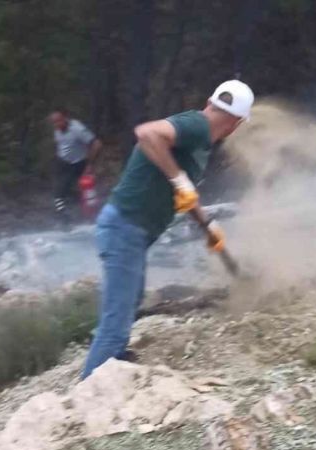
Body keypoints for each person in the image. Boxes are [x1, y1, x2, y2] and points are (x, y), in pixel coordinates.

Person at [81, 80, 254, 378]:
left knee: (129, 301)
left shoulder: (200, 139)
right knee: (116, 323)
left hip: (133, 231)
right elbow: (146, 134)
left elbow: (185, 196)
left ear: (211, 101)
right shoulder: (197, 126)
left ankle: (116, 364)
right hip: (124, 228)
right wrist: (180, 180)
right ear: (236, 123)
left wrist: (209, 227)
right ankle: (89, 391)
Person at [49, 110, 102, 225]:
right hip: (63, 163)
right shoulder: (57, 130)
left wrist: (90, 164)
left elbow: (96, 144)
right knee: (58, 194)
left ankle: (92, 216)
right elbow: (61, 144)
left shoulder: (77, 129)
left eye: (59, 121)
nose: (57, 125)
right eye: (54, 123)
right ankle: (64, 219)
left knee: (85, 192)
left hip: (78, 164)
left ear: (65, 118)